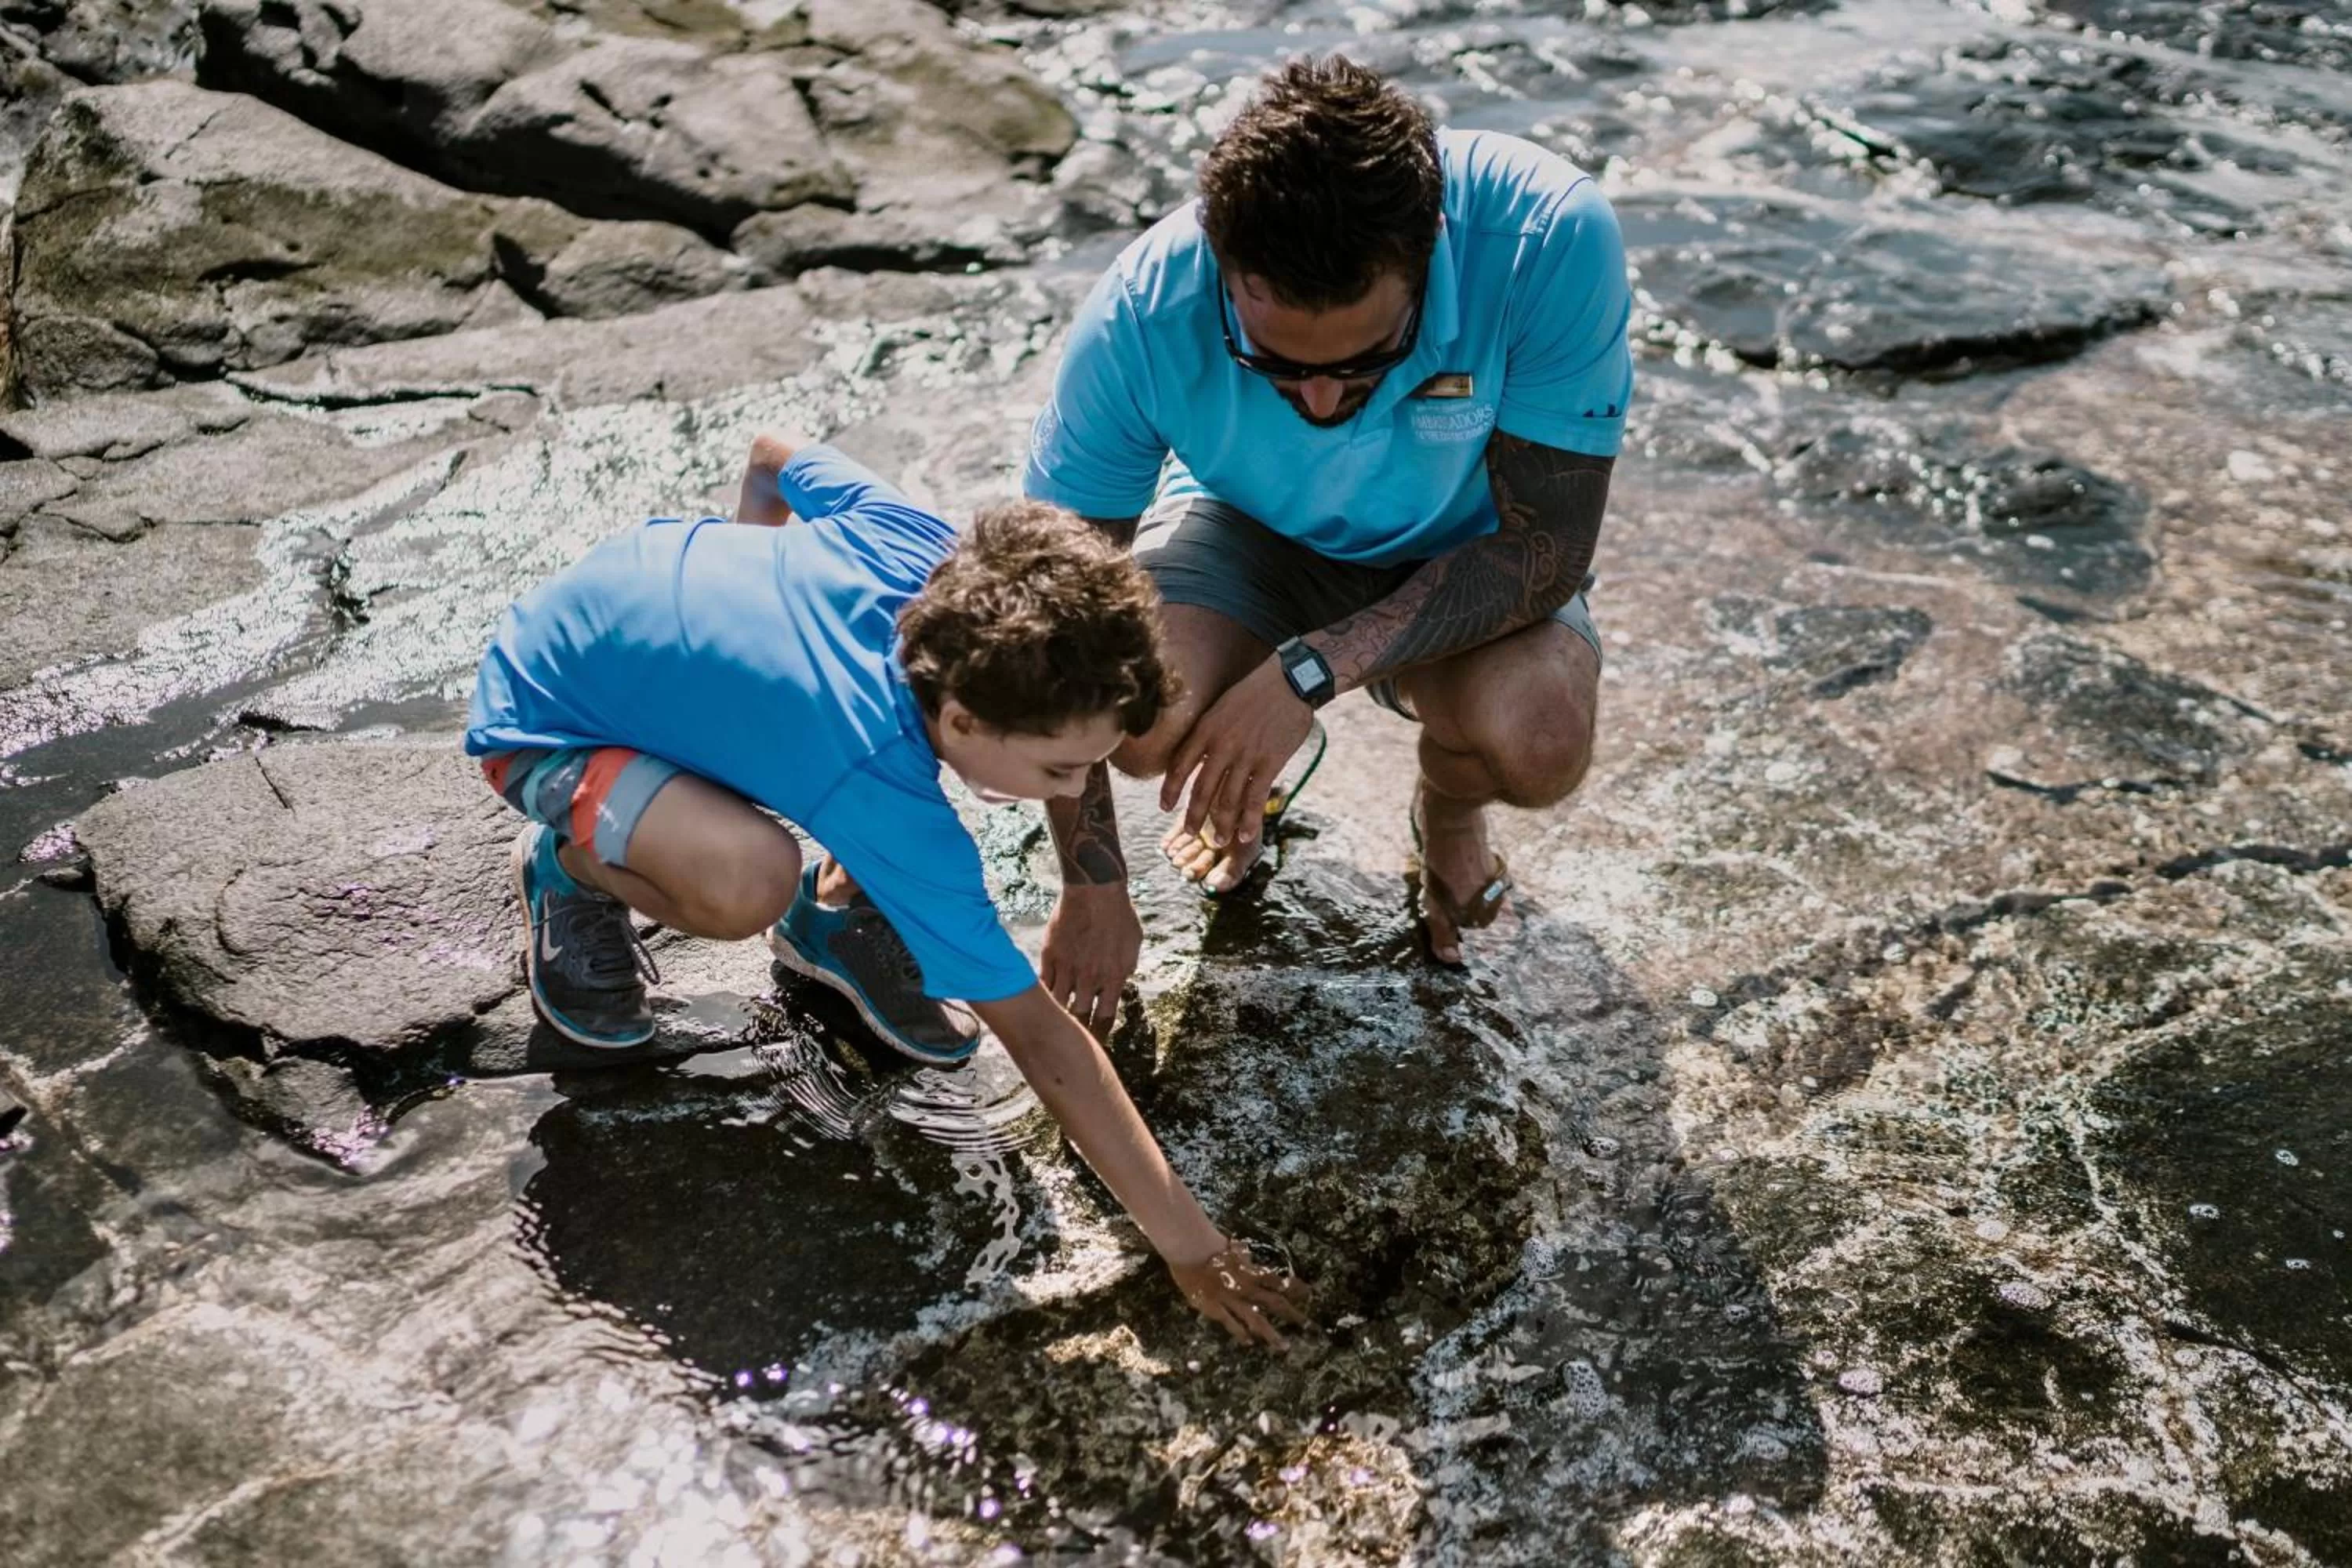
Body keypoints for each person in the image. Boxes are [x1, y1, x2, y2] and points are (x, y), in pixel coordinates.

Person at [463, 432, 1310, 1346]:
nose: (1075, 793)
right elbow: (1038, 1035)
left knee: (868, 786)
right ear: (963, 715)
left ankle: (836, 909)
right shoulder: (876, 773)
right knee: (750, 879)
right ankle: (570, 871)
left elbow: (772, 457)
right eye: (1063, 767)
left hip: (626, 599)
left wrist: (743, 584)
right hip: (542, 721)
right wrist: (1189, 1244)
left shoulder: (941, 562)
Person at [1022, 54, 1631, 1017]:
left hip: (1462, 551)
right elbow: (1054, 618)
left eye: (1367, 362)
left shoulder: (1545, 234)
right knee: (1134, 719)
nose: (1318, 400)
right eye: (1271, 363)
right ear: (1223, 261)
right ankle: (1251, 770)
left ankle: (1446, 810)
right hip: (1247, 533)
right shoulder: (1141, 309)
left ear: (1428, 249)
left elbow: (1548, 547)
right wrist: (1091, 883)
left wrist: (1312, 669)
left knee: (1541, 740)